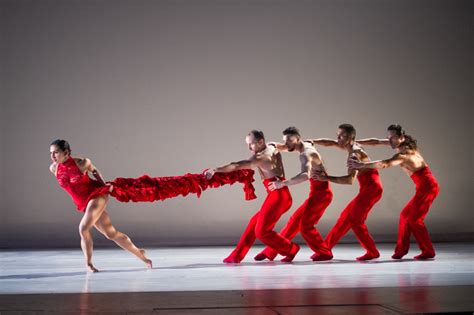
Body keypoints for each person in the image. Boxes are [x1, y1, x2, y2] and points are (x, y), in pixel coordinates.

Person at [50, 139, 152, 272]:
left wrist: (105, 187)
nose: (52, 156)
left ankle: (89, 264)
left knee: (83, 228)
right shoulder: (54, 168)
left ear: (67, 153)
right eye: (51, 153)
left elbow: (94, 171)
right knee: (111, 233)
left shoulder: (82, 163)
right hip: (84, 203)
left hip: (97, 195)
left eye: (56, 153)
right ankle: (142, 255)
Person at [205, 130, 300, 263]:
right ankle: (237, 255)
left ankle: (291, 249)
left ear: (261, 142)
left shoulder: (260, 157)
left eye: (251, 144)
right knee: (253, 224)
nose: (249, 148)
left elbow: (236, 165)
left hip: (278, 197)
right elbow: (288, 147)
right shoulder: (273, 145)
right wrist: (304, 145)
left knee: (261, 232)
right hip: (280, 195)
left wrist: (216, 169)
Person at [349, 124, 440, 259]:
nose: (389, 141)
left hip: (428, 186)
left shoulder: (404, 155)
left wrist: (362, 165)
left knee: (415, 219)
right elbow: (377, 142)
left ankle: (428, 251)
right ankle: (401, 250)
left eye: (392, 138)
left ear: (401, 137)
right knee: (405, 216)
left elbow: (385, 163)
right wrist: (356, 142)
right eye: (388, 137)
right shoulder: (404, 143)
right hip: (423, 186)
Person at [254, 127, 333, 262]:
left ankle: (325, 253)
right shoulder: (305, 144)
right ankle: (271, 252)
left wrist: (283, 184)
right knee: (293, 222)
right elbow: (286, 147)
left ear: (298, 138)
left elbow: (305, 175)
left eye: (290, 141)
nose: (287, 144)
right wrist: (273, 145)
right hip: (316, 193)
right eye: (285, 141)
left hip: (322, 195)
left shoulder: (306, 153)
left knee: (305, 226)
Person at [313, 124, 383, 260]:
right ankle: (324, 250)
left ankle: (372, 251)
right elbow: (329, 143)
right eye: (338, 135)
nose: (338, 139)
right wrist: (311, 141)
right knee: (345, 217)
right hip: (367, 189)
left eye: (342, 136)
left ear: (351, 137)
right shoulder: (349, 145)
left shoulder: (354, 154)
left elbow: (349, 180)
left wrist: (326, 178)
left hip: (372, 190)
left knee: (355, 220)